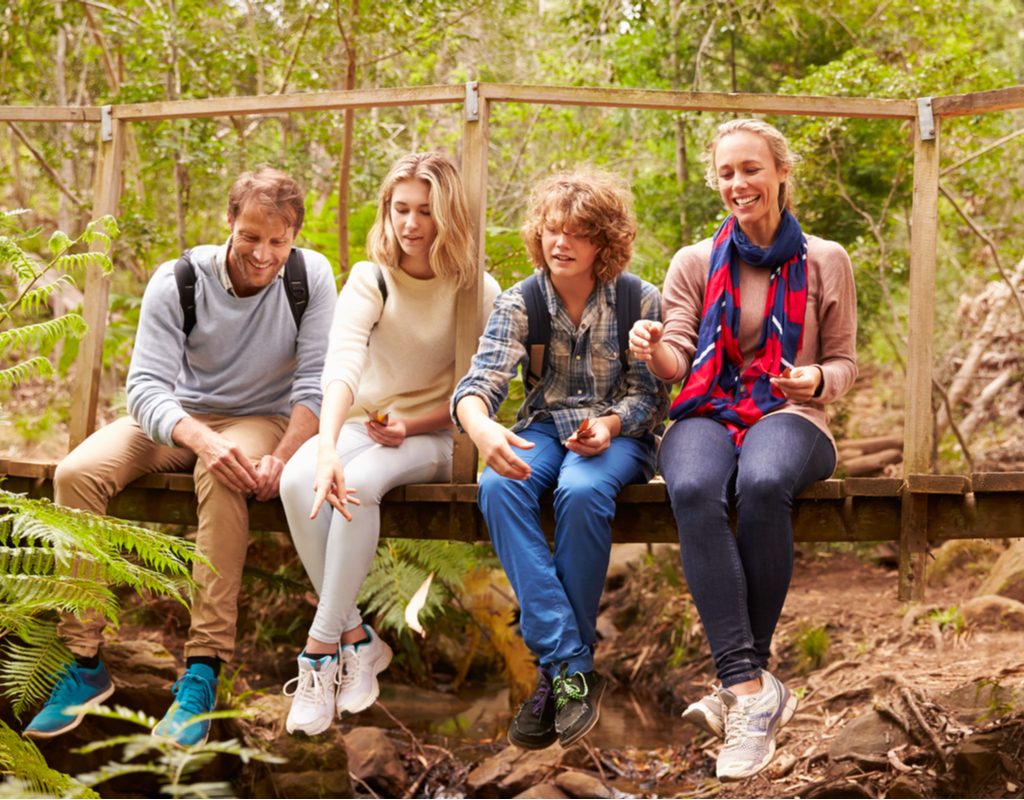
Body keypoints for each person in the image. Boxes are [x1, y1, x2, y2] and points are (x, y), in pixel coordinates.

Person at [23, 167, 336, 746]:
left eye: (277, 240)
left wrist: (285, 455)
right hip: (180, 418)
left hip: (261, 420)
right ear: (229, 224)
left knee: (224, 476)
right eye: (251, 237)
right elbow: (144, 387)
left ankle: (202, 672)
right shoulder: (179, 280)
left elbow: (316, 384)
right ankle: (83, 661)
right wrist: (199, 437)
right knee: (76, 474)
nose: (263, 254)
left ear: (294, 236)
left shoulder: (310, 278)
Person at [630, 119, 858, 781]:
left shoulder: (825, 259)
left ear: (781, 173)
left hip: (793, 415)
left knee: (761, 481)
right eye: (727, 173)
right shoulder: (694, 263)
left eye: (751, 169)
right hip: (708, 408)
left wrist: (814, 378)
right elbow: (676, 364)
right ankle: (752, 690)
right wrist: (654, 348)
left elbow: (843, 363)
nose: (738, 184)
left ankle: (741, 684)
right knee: (695, 487)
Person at [278, 152, 500, 737]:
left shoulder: (477, 288)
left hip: (438, 434)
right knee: (298, 479)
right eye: (400, 209)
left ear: (448, 214)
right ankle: (360, 639)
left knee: (360, 482)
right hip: (360, 423)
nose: (410, 223)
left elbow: (475, 386)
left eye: (425, 211)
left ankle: (320, 653)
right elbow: (343, 364)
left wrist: (414, 424)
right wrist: (325, 445)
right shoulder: (371, 276)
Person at [453, 169, 668, 750]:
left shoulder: (637, 298)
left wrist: (611, 424)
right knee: (498, 488)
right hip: (545, 427)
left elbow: (651, 395)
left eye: (577, 233)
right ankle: (572, 665)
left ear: (605, 241)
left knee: (581, 490)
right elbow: (480, 383)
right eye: (551, 230)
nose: (560, 243)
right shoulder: (520, 301)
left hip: (620, 433)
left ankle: (555, 676)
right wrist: (482, 430)